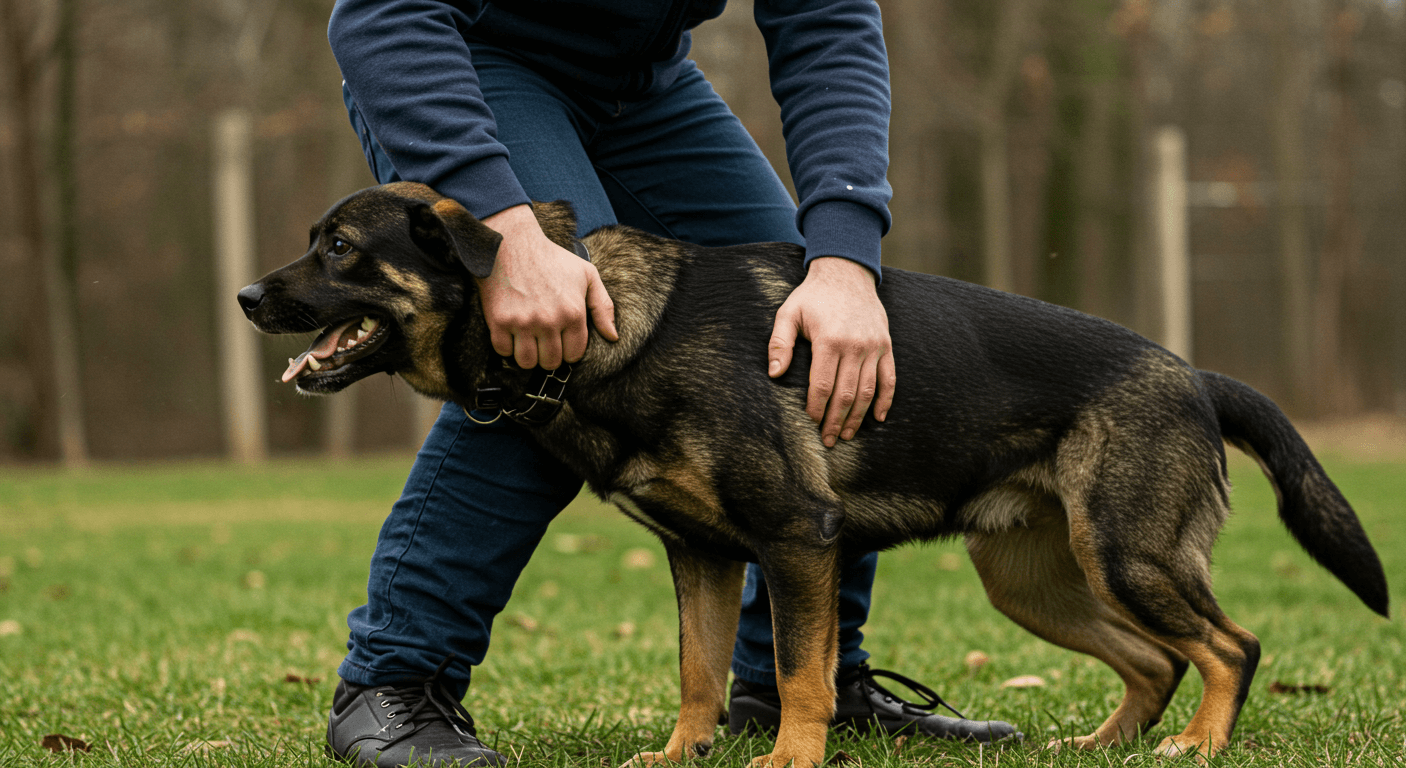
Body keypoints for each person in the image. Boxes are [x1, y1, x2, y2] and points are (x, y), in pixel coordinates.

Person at [322, 1, 1020, 766]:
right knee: (557, 344)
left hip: (643, 85)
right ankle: (394, 683)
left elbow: (826, 19)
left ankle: (796, 684)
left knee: (803, 327)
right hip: (466, 62)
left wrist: (845, 258)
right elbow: (382, 12)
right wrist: (506, 225)